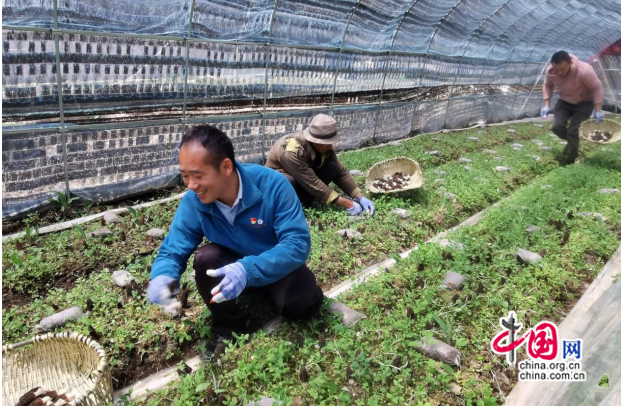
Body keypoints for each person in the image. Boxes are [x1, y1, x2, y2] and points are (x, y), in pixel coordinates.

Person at [146, 124, 324, 348]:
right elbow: (173, 249)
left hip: (275, 265)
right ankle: (229, 327)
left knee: (304, 304)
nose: (191, 185)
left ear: (226, 166)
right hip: (231, 268)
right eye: (185, 176)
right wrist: (163, 276)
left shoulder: (273, 185)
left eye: (198, 175)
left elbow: (297, 244)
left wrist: (247, 270)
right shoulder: (194, 202)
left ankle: (267, 292)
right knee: (206, 258)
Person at [265, 114, 375, 216]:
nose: (330, 146)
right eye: (326, 143)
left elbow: (341, 172)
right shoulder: (291, 152)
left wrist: (360, 197)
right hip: (276, 186)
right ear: (314, 139)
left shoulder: (323, 146)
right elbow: (312, 183)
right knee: (287, 181)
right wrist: (347, 204)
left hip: (302, 180)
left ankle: (305, 202)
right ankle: (288, 209)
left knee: (331, 168)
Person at [541, 50, 604, 164]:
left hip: (585, 102)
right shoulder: (551, 71)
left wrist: (597, 109)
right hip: (565, 101)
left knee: (573, 131)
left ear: (570, 63)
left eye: (562, 69)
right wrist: (547, 104)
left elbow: (597, 87)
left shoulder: (584, 71)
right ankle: (572, 142)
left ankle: (570, 159)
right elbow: (547, 85)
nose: (559, 73)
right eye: (557, 69)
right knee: (556, 127)